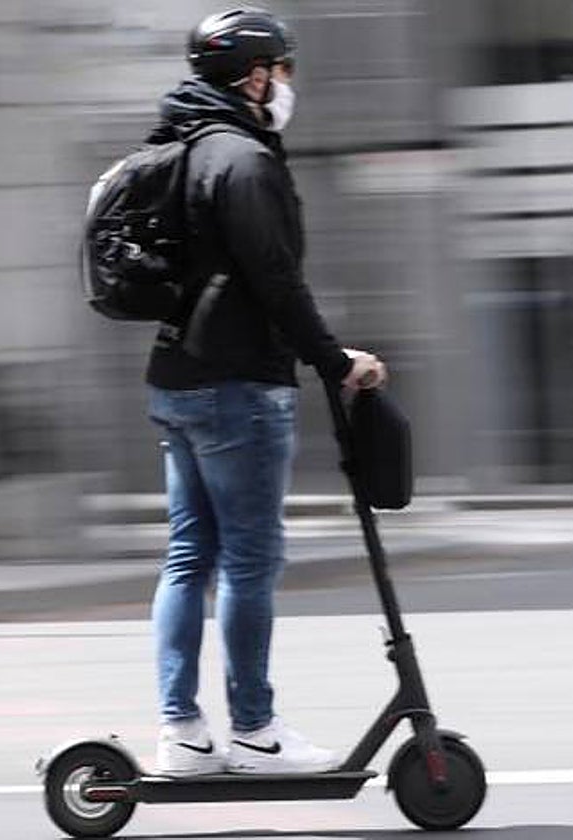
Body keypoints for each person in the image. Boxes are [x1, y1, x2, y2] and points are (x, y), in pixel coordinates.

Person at [144, 7, 389, 778]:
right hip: (237, 387)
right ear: (253, 76)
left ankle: (182, 733)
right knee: (250, 561)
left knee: (189, 558)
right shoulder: (243, 161)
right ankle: (254, 731)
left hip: (178, 380)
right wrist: (332, 359)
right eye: (281, 69)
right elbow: (275, 280)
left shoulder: (181, 150)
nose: (287, 83)